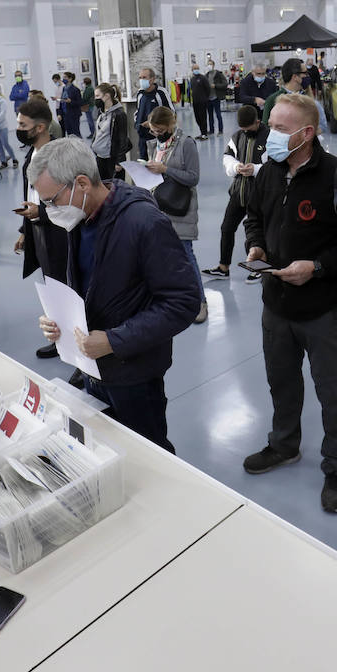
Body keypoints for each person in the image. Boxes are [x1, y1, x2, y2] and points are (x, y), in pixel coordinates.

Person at [242, 93, 337, 513]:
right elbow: (254, 215)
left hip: (322, 309)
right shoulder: (269, 173)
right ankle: (284, 444)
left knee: (331, 390)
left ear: (307, 134)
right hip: (275, 304)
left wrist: (318, 267)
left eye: (281, 129)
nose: (271, 135)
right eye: (271, 125)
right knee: (281, 381)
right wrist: (255, 244)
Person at [32, 138, 201, 452]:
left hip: (133, 372)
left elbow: (183, 301)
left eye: (52, 200)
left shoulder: (144, 223)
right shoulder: (80, 218)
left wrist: (113, 340)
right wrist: (59, 320)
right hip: (94, 366)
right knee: (107, 446)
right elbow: (92, 285)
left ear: (82, 183)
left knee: (148, 452)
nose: (49, 210)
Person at [15, 99, 69, 359]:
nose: (19, 129)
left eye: (23, 125)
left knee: (67, 287)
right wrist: (25, 230)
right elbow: (31, 193)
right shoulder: (32, 154)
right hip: (38, 228)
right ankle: (61, 339)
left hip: (59, 231)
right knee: (52, 286)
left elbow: (71, 201)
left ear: (40, 127)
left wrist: (42, 213)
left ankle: (74, 343)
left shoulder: (58, 156)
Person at [143, 107, 207, 324]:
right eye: (153, 131)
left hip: (181, 208)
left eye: (160, 130)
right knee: (162, 257)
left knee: (186, 256)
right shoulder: (156, 144)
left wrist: (164, 169)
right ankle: (172, 300)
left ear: (171, 125)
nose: (157, 134)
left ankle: (200, 302)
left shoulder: (186, 143)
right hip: (159, 206)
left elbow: (193, 177)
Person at [203, 105, 269, 282]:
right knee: (226, 228)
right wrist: (235, 167)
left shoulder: (269, 137)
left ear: (257, 121)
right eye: (243, 129)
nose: (246, 132)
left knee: (255, 233)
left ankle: (258, 268)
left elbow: (276, 166)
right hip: (238, 193)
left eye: (249, 128)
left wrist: (255, 169)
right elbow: (227, 157)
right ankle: (223, 267)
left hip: (259, 196)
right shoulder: (237, 136)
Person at [90, 82, 132, 181]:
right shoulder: (101, 113)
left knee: (114, 188)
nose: (95, 99)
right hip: (100, 157)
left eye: (97, 96)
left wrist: (119, 161)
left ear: (107, 96)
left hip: (112, 159)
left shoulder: (119, 114)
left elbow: (123, 139)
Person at [134, 66, 172, 159]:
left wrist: (152, 123)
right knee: (143, 164)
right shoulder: (140, 93)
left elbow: (171, 113)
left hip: (158, 138)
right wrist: (137, 123)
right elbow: (137, 111)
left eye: (144, 77)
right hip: (143, 137)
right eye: (140, 78)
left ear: (152, 79)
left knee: (157, 163)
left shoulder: (161, 93)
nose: (141, 80)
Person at [188, 62, 212, 140]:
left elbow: (208, 89)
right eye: (194, 69)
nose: (196, 70)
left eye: (197, 68)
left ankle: (204, 134)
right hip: (195, 101)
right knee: (197, 118)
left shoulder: (203, 78)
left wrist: (205, 98)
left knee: (203, 117)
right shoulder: (192, 79)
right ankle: (202, 132)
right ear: (192, 70)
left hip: (202, 101)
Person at [57, 71, 83, 137]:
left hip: (73, 114)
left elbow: (79, 102)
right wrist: (59, 113)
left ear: (70, 79)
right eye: (63, 77)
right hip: (65, 114)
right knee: (69, 133)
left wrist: (70, 101)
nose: (63, 79)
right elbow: (62, 101)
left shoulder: (75, 90)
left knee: (75, 133)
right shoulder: (64, 88)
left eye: (65, 77)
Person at [208, 67, 228, 134]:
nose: (209, 66)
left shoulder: (218, 74)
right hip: (208, 98)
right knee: (210, 115)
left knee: (218, 114)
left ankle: (220, 130)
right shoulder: (207, 75)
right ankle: (211, 130)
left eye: (210, 64)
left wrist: (215, 86)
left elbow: (225, 84)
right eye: (208, 64)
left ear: (213, 65)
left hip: (216, 97)